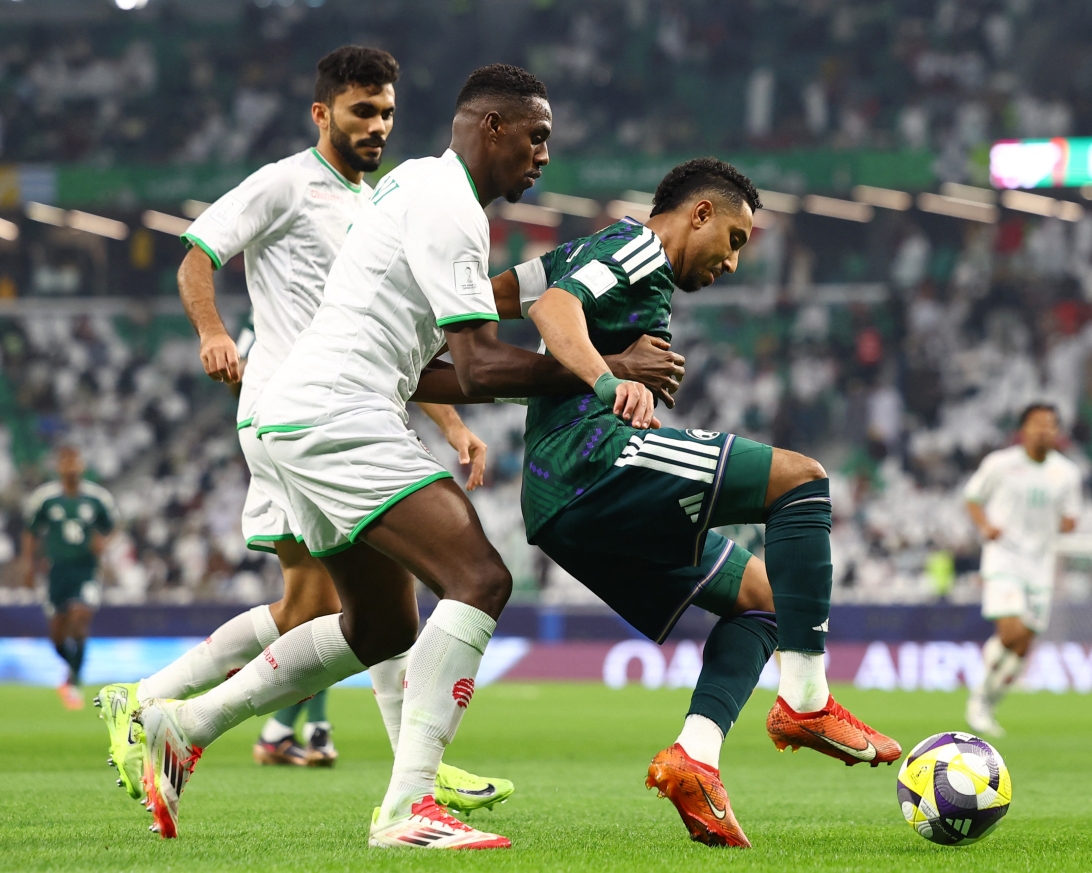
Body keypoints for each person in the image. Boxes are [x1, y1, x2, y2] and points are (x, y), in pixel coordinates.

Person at [130, 63, 683, 847]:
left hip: (304, 413)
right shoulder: (450, 206)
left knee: (383, 623)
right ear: (491, 127)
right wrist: (607, 369)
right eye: (535, 136)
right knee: (480, 577)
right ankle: (407, 806)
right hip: (338, 413)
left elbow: (432, 372)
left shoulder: (414, 186)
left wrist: (562, 347)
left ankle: (184, 724)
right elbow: (481, 367)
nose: (543, 155)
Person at [94, 46, 509, 816]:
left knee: (330, 604)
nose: (378, 126)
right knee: (353, 600)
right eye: (362, 111)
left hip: (346, 409)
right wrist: (213, 332)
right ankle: (408, 766)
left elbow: (394, 331)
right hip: (294, 411)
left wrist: (451, 422)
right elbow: (197, 254)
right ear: (322, 113)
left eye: (387, 112)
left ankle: (157, 706)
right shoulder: (286, 182)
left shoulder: (380, 201)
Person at [500, 157, 901, 847]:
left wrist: (428, 318)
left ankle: (695, 758)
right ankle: (806, 701)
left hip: (561, 504)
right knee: (801, 479)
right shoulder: (636, 246)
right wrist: (607, 381)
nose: (734, 262)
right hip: (589, 463)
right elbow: (550, 309)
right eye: (735, 240)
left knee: (766, 599)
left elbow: (501, 294)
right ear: (700, 213)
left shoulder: (594, 251)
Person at [964, 403, 1082, 736]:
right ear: (1024, 429)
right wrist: (985, 526)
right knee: (1011, 632)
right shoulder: (1000, 464)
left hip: (1040, 565)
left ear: (1057, 432)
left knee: (1023, 645)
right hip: (1005, 558)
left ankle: (989, 702)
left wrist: (1068, 522)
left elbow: (1071, 517)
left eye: (1050, 424)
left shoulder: (1067, 473)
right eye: (1037, 423)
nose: (1044, 430)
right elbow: (972, 497)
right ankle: (979, 698)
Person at [21, 446, 116, 710]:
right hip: (56, 571)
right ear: (59, 467)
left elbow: (111, 527)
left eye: (75, 461)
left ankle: (73, 681)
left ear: (82, 466)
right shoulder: (45, 499)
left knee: (79, 617)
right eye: (66, 462)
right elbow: (31, 532)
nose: (71, 467)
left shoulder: (97, 498)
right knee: (57, 634)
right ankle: (71, 670)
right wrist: (29, 566)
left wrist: (102, 542)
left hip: (85, 570)